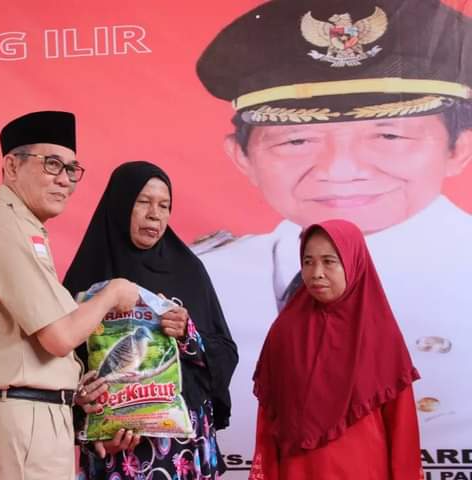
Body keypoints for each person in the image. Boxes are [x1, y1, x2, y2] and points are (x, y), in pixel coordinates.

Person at [193, 0, 472, 469]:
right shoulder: (204, 281)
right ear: (241, 157)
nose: (340, 171)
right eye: (297, 140)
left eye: (390, 136)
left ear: (459, 147)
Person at [0, 110, 139, 480]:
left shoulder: (20, 227)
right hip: (17, 424)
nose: (64, 180)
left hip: (28, 419)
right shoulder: (7, 229)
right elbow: (59, 338)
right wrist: (112, 293)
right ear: (11, 166)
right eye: (52, 164)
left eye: (72, 169)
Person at [64, 161, 238, 479]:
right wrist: (91, 432)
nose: (154, 215)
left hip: (183, 449)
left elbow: (225, 353)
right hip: (119, 454)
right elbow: (60, 369)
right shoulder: (87, 278)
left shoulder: (188, 271)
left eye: (164, 205)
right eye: (143, 202)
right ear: (120, 205)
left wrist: (188, 335)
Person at [249, 219, 422, 479]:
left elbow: (402, 426)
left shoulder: (380, 335)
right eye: (308, 261)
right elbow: (268, 420)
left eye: (329, 261)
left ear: (353, 262)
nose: (316, 272)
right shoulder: (285, 332)